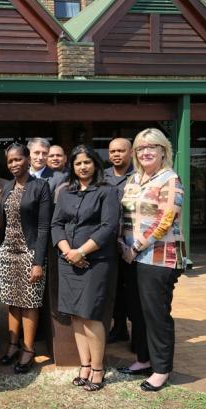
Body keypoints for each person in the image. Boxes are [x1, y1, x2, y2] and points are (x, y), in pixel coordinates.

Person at [117, 128, 185, 392]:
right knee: (138, 312)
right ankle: (144, 359)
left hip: (159, 258)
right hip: (131, 256)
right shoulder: (134, 179)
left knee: (156, 315)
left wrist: (135, 247)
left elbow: (166, 218)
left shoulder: (170, 179)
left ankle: (161, 369)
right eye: (140, 148)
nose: (145, 152)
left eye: (152, 147)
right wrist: (123, 246)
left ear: (163, 151)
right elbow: (125, 216)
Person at [52, 144, 120, 391]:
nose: (82, 167)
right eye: (78, 163)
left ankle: (98, 368)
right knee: (75, 315)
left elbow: (108, 227)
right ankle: (84, 365)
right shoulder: (65, 193)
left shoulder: (107, 192)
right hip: (67, 261)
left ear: (95, 164)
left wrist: (81, 251)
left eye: (87, 162)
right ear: (72, 166)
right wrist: (68, 252)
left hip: (95, 262)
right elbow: (56, 224)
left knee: (91, 315)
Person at [0, 143, 51, 374]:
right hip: (8, 252)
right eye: (10, 161)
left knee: (29, 303)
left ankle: (28, 349)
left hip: (30, 253)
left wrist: (38, 261)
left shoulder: (41, 187)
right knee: (12, 301)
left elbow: (43, 227)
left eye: (17, 159)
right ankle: (13, 345)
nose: (13, 164)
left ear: (28, 159)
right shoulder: (7, 188)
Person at [104, 137, 134, 344]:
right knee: (113, 287)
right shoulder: (102, 176)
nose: (116, 154)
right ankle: (119, 327)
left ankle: (137, 333)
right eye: (112, 151)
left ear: (130, 152)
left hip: (132, 243)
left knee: (132, 287)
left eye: (121, 151)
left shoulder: (140, 176)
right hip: (107, 242)